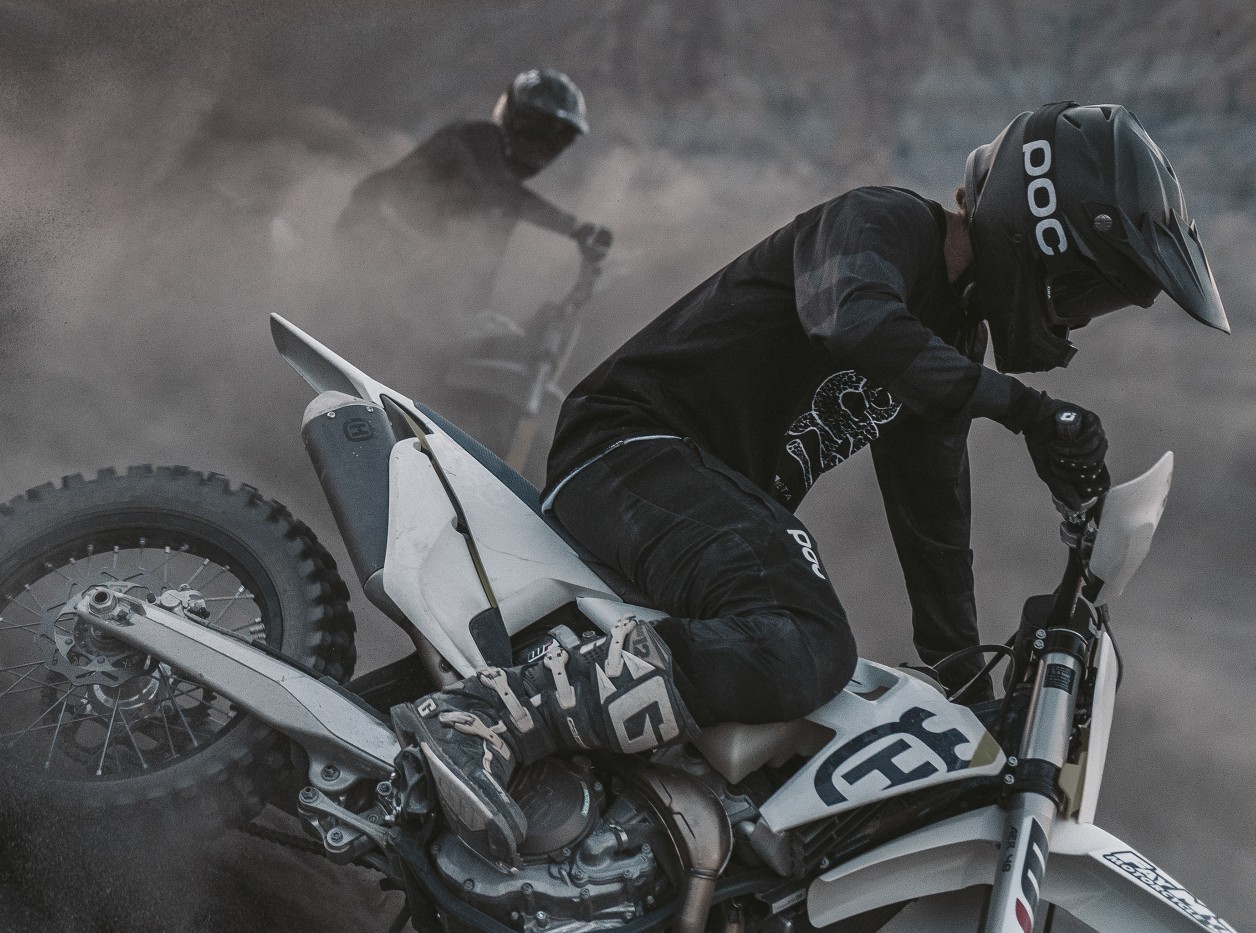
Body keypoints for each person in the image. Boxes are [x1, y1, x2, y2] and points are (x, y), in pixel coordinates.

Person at [392, 102, 1228, 865]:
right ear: (1041, 232)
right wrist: (1028, 410)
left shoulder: (950, 338)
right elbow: (850, 316)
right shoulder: (885, 221)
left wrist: (969, 690)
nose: (1076, 316)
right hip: (629, 448)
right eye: (1085, 288)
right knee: (805, 637)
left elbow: (933, 525)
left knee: (793, 736)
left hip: (695, 499)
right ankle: (484, 716)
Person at [335, 67, 611, 318]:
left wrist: (474, 325)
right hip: (372, 234)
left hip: (398, 261)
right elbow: (495, 190)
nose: (546, 146)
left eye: (560, 139)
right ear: (515, 119)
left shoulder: (504, 205)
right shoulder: (478, 136)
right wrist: (574, 228)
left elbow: (476, 281)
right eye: (539, 130)